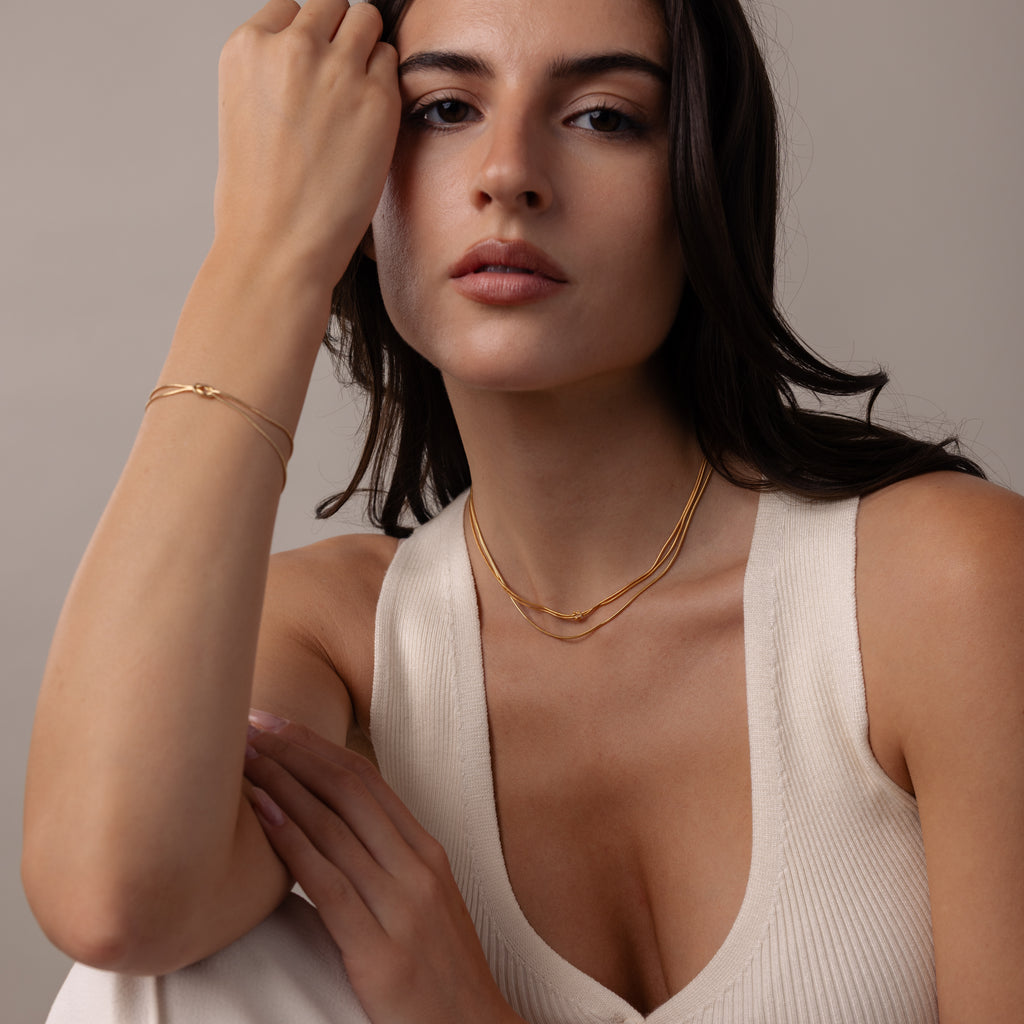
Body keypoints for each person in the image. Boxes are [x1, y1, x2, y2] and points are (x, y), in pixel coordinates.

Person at [23, 0, 1024, 1021]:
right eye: (445, 109)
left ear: (700, 190)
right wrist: (266, 250)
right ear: (359, 183)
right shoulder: (342, 640)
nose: (509, 173)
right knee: (166, 976)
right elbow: (113, 900)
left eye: (601, 116)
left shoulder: (941, 588)